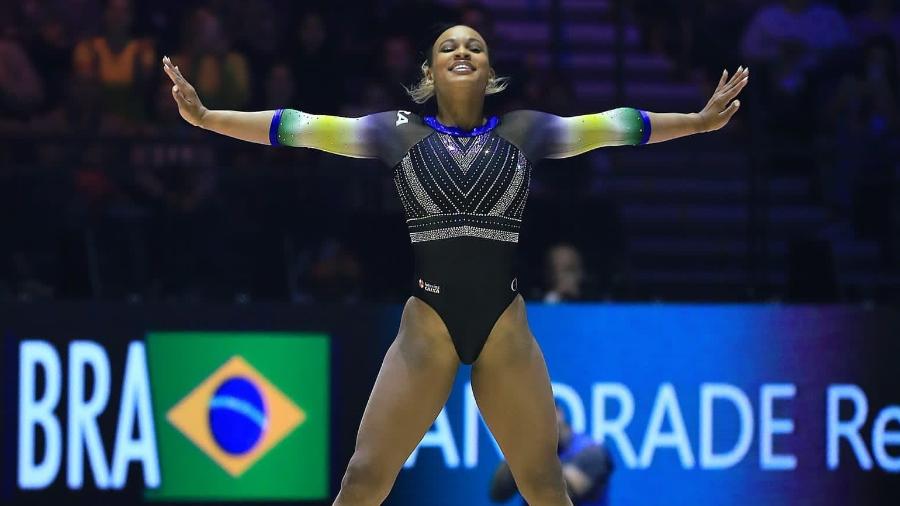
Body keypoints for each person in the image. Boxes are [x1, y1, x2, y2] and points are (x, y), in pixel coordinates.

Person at [162, 23, 748, 506]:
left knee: (544, 484)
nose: (462, 51)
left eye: (475, 47)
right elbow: (299, 129)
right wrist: (209, 117)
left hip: (504, 328)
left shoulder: (526, 131)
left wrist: (696, 122)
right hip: (428, 328)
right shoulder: (396, 134)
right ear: (428, 76)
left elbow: (615, 127)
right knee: (364, 478)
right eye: (447, 47)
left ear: (491, 75)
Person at [490, 405, 613, 505]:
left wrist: (527, 464)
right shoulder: (527, 450)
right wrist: (519, 449)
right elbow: (498, 492)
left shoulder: (592, 452)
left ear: (558, 413)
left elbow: (555, 496)